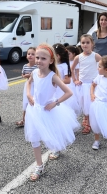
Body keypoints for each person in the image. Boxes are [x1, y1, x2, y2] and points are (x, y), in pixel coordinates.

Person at [24, 44, 79, 181]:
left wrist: (55, 103)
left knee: (52, 135)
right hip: (35, 110)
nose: (38, 60)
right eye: (37, 57)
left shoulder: (53, 76)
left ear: (51, 60)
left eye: (43, 58)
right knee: (34, 138)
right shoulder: (34, 73)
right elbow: (29, 84)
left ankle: (56, 149)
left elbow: (69, 92)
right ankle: (39, 166)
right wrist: (29, 96)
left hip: (48, 111)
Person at [71, 34, 101, 135]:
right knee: (84, 104)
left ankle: (89, 122)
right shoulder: (78, 57)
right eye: (83, 43)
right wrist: (75, 80)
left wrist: (99, 80)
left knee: (91, 104)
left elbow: (102, 67)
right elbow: (72, 69)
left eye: (87, 42)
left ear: (92, 44)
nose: (85, 45)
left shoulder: (96, 56)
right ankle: (87, 119)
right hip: (82, 85)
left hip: (92, 85)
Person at [53, 43, 80, 115]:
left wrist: (57, 82)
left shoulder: (64, 66)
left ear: (58, 56)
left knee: (62, 107)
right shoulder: (53, 65)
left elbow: (68, 80)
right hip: (53, 89)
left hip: (61, 90)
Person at [16, 47, 37, 127]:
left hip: (35, 85)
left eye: (33, 54)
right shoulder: (25, 66)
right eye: (28, 54)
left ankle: (34, 120)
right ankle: (24, 119)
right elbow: (23, 74)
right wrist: (25, 76)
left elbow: (40, 75)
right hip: (28, 85)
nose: (30, 55)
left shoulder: (37, 66)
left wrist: (31, 75)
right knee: (26, 102)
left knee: (34, 102)